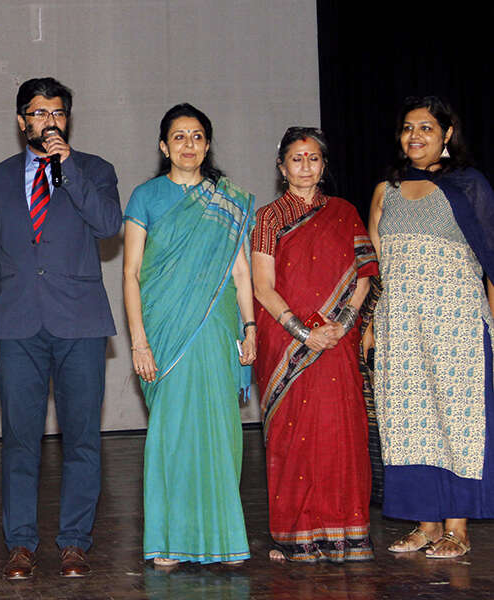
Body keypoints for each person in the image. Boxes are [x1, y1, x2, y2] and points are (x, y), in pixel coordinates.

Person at [0, 77, 121, 579]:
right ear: (21, 121)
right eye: (38, 113)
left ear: (67, 119)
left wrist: (69, 166)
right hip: (16, 324)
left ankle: (75, 541)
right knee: (19, 440)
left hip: (79, 322)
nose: (48, 121)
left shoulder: (95, 169)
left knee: (82, 439)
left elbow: (107, 226)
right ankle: (20, 545)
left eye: (57, 113)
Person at [123, 103, 256, 567]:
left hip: (218, 329)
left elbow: (240, 270)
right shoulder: (146, 196)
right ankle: (169, 540)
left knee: (221, 432)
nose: (189, 145)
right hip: (163, 331)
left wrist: (251, 327)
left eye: (197, 136)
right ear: (164, 146)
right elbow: (131, 273)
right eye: (179, 137)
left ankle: (224, 538)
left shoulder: (230, 201)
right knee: (171, 434)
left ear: (207, 144)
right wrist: (139, 341)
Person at [368, 96, 494, 559]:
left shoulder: (468, 185)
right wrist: (374, 324)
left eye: (425, 127)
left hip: (456, 323)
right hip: (402, 324)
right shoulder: (388, 189)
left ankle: (456, 528)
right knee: (408, 422)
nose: (414, 136)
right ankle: (424, 524)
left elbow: (491, 260)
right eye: (407, 127)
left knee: (456, 422)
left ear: (447, 135)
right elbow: (381, 265)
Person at [252, 127, 378, 563]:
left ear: (324, 165)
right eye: (296, 159)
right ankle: (297, 534)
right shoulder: (268, 218)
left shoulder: (344, 212)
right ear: (281, 166)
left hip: (337, 341)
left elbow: (364, 275)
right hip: (287, 342)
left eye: (313, 158)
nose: (306, 167)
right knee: (294, 437)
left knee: (340, 431)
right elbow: (262, 287)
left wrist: (341, 326)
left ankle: (347, 532)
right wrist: (305, 333)